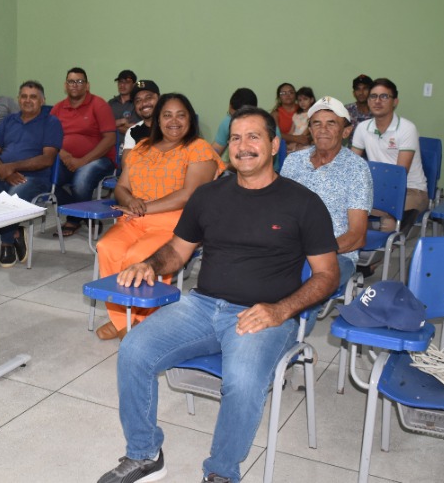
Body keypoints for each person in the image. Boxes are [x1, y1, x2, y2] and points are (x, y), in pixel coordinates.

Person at [97, 106, 339, 483]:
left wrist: (280, 311)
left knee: (242, 380)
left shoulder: (303, 203)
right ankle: (144, 454)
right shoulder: (208, 196)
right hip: (201, 305)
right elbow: (177, 251)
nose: (243, 146)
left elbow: (327, 275)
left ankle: (222, 473)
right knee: (134, 350)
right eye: (236, 138)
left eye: (254, 137)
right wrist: (149, 264)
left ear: (274, 145)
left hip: (264, 314)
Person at [95, 93, 225, 340]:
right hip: (135, 219)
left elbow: (189, 195)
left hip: (176, 224)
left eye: (180, 115)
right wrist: (130, 201)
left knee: (138, 257)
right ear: (157, 120)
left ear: (190, 119)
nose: (173, 121)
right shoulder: (142, 148)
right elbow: (122, 187)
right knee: (107, 247)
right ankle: (122, 319)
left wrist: (143, 207)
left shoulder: (199, 148)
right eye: (167, 115)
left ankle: (143, 321)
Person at [281, 96, 372, 310]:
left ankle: (294, 325)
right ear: (310, 130)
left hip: (337, 253)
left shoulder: (357, 169)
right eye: (317, 123)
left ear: (346, 131)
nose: (323, 129)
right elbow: (278, 210)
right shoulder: (293, 162)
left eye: (331, 123)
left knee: (308, 281)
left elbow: (357, 236)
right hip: (290, 246)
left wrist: (312, 251)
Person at [0, 81, 63, 267]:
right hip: (2, 175)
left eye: (33, 97)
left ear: (42, 100)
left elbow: (47, 159)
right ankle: (16, 232)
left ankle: (7, 242)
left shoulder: (51, 122)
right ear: (18, 99)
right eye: (24, 96)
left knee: (7, 204)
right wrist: (5, 171)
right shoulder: (9, 120)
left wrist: (11, 167)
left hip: (34, 178)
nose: (28, 100)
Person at [351, 77, 428, 231]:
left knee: (389, 221)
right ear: (368, 101)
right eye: (373, 96)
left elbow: (399, 174)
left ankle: (384, 241)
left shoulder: (407, 128)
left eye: (384, 96)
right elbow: (352, 165)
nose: (377, 101)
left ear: (395, 102)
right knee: (344, 209)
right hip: (377, 188)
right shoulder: (362, 128)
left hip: (411, 190)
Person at [51, 67, 117, 237]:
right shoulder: (58, 108)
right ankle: (81, 212)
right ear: (65, 85)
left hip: (99, 159)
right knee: (45, 179)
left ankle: (74, 219)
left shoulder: (99, 104)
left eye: (79, 81)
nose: (75, 85)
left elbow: (110, 139)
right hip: (65, 159)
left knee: (81, 180)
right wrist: (62, 153)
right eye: (71, 81)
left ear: (87, 85)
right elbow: (48, 137)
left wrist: (83, 161)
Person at [211, 87, 258, 157]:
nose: (233, 121)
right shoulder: (228, 122)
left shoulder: (264, 129)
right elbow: (215, 151)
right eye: (231, 115)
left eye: (238, 118)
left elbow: (259, 160)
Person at [122, 80, 160, 159]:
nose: (144, 103)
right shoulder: (133, 131)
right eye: (138, 101)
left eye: (148, 97)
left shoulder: (171, 126)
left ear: (159, 99)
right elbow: (126, 163)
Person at [271, 82, 306, 151]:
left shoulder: (304, 109)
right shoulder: (275, 114)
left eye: (291, 92)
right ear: (279, 97)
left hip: (304, 147)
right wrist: (296, 139)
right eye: (283, 93)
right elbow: (275, 134)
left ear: (295, 95)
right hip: (283, 148)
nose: (288, 95)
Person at [108, 70, 139, 144]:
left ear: (134, 85)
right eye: (120, 82)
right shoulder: (111, 103)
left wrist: (114, 126)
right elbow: (102, 126)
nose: (122, 85)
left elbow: (136, 130)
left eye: (127, 82)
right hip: (112, 146)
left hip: (133, 146)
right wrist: (120, 122)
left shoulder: (137, 103)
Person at [344, 74, 374, 140]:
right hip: (352, 147)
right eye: (358, 89)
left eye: (365, 88)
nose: (361, 93)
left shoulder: (378, 110)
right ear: (354, 93)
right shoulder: (346, 110)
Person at [287, 86, 315, 153]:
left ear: (311, 100)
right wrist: (288, 140)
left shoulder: (313, 114)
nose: (302, 102)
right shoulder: (296, 115)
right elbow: (291, 131)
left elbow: (307, 131)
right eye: (300, 100)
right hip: (294, 140)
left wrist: (298, 141)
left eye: (305, 99)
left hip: (305, 140)